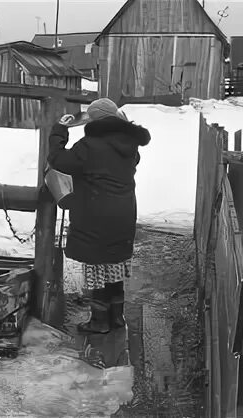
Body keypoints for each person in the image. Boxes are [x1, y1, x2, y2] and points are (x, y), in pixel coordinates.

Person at [47, 98, 151, 334]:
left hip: (95, 214)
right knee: (114, 266)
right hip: (123, 214)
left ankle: (99, 322)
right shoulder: (130, 145)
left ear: (96, 120)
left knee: (97, 268)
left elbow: (58, 160)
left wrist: (59, 131)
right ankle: (116, 318)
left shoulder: (89, 146)